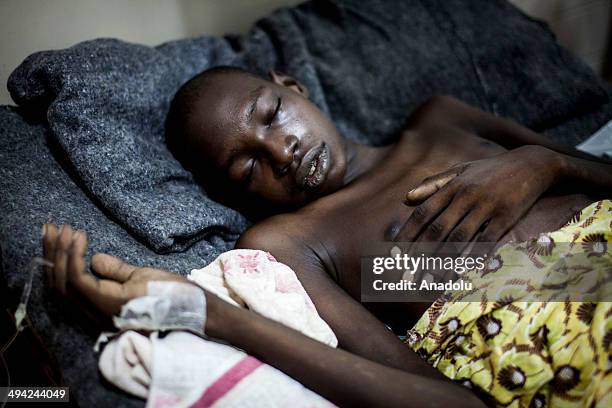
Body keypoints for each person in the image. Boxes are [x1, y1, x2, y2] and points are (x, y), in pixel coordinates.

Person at [42, 66, 612, 407]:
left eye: (271, 114)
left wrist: (542, 165)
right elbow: (442, 398)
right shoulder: (295, 240)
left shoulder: (441, 121)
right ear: (236, 197)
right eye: (248, 169)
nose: (281, 149)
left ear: (291, 85)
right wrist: (204, 312)